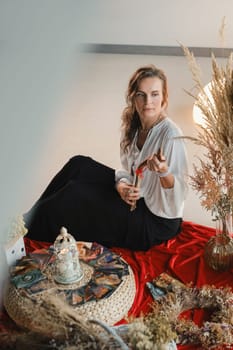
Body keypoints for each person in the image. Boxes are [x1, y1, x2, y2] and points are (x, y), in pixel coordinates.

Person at [24, 64, 188, 251]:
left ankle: (26, 231)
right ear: (133, 97)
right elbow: (130, 172)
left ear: (164, 98)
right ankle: (27, 219)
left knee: (73, 193)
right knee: (79, 164)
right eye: (141, 94)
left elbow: (178, 197)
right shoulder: (134, 128)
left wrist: (163, 172)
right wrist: (121, 186)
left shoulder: (171, 135)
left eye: (155, 94)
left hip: (155, 223)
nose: (148, 102)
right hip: (138, 198)